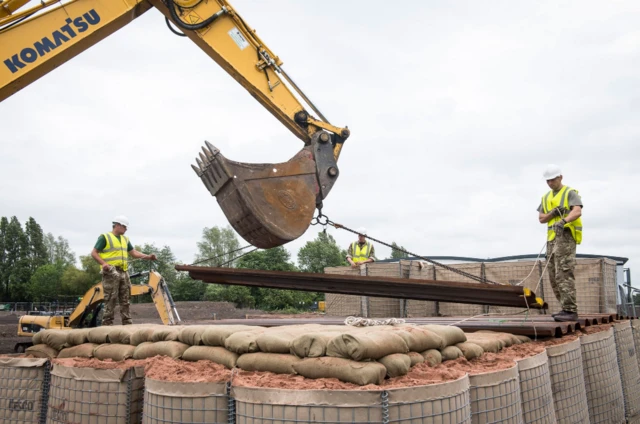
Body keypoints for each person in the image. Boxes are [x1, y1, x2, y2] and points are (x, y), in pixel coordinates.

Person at [90, 216, 156, 326]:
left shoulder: (125, 239)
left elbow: (133, 253)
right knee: (111, 298)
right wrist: (104, 264)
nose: (126, 229)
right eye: (124, 227)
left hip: (124, 272)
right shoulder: (105, 237)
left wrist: (148, 257)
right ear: (117, 225)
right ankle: (107, 325)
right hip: (111, 272)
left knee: (125, 299)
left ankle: (127, 324)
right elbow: (94, 253)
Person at [537, 165, 583, 322]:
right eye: (548, 181)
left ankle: (571, 310)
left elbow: (577, 211)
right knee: (553, 275)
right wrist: (553, 213)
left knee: (563, 272)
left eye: (553, 180)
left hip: (565, 236)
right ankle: (565, 309)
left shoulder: (569, 192)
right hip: (551, 239)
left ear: (560, 178)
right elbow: (542, 218)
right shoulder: (545, 197)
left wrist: (564, 220)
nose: (550, 183)